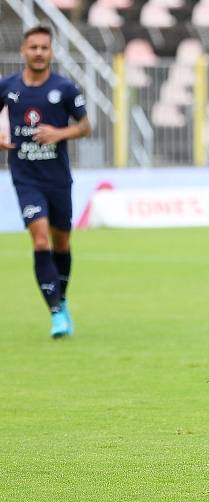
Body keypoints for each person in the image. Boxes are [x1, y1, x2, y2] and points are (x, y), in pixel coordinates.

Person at [0, 26, 92, 338]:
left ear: (51, 52)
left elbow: (85, 126)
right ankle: (55, 313)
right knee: (40, 239)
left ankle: (62, 299)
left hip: (57, 179)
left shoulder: (64, 89)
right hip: (25, 178)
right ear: (24, 51)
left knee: (62, 243)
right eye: (33, 47)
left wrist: (59, 133)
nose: (39, 52)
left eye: (44, 47)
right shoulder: (8, 86)